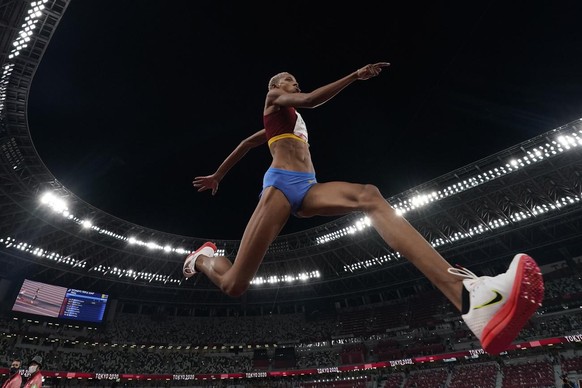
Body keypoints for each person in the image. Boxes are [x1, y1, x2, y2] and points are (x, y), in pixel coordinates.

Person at [185, 62, 544, 355]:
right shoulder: (274, 98)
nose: (291, 82)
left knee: (369, 195)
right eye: (286, 79)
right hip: (278, 185)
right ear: (275, 86)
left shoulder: (287, 120)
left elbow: (249, 142)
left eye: (293, 79)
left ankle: (467, 296)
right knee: (234, 284)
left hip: (307, 189)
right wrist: (354, 77)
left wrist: (220, 173)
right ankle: (204, 257)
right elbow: (307, 101)